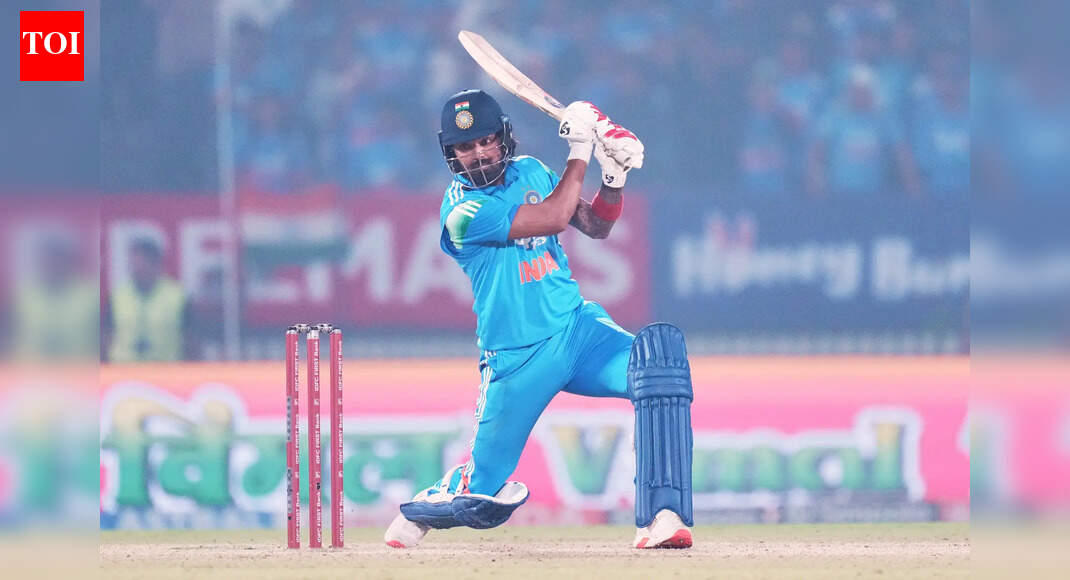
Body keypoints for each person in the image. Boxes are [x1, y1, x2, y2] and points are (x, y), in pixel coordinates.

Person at [383, 89, 694, 549]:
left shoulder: (530, 170)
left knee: (659, 371)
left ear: (503, 137)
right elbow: (552, 217)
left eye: (485, 141)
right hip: (517, 358)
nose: (478, 154)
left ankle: (662, 517)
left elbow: (596, 226)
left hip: (578, 331)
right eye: (465, 147)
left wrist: (614, 176)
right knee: (482, 496)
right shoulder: (461, 213)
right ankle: (428, 505)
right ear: (451, 155)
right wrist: (580, 148)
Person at [105, 237, 191, 362]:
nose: (136, 268)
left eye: (141, 263)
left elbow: (190, 339)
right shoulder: (118, 296)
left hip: (165, 368)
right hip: (123, 367)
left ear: (155, 263)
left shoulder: (177, 296)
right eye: (133, 263)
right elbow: (106, 335)